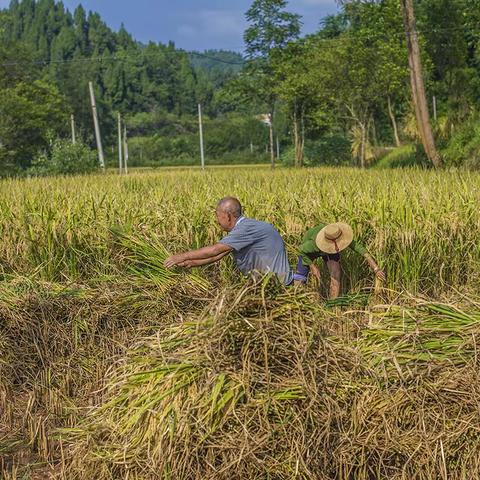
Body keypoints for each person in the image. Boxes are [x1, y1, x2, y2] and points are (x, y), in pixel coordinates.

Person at [164, 197, 293, 285]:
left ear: (228, 216)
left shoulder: (246, 229)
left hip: (278, 287)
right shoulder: (245, 228)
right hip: (269, 285)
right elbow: (218, 256)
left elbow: (215, 250)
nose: (217, 221)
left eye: (218, 217)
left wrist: (180, 257)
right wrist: (190, 263)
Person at [294, 222, 386, 299]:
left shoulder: (341, 237)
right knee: (299, 279)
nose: (338, 248)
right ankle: (299, 304)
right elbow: (300, 250)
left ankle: (332, 306)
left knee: (336, 276)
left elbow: (360, 249)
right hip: (307, 254)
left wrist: (376, 268)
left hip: (329, 250)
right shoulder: (313, 244)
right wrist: (312, 266)